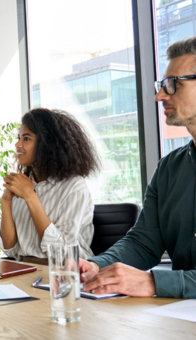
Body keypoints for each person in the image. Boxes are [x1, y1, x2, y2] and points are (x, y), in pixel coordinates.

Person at [80, 37, 196, 299]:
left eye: (173, 84)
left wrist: (155, 283)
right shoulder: (169, 168)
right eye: (162, 85)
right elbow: (143, 243)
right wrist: (97, 265)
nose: (160, 95)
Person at [0, 108, 100, 265]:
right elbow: (10, 249)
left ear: (46, 143)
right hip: (24, 268)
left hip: (62, 273)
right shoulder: (23, 183)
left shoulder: (74, 187)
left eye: (26, 138)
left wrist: (30, 197)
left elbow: (63, 252)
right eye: (19, 138)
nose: (17, 144)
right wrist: (6, 201)